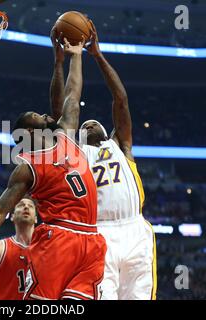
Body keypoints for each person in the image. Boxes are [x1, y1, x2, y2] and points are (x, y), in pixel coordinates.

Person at [0, 37, 106, 300]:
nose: (45, 115)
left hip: (92, 239)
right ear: (29, 131)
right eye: (37, 116)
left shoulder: (65, 135)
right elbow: (0, 209)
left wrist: (76, 55)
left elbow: (73, 94)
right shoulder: (28, 166)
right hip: (59, 237)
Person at [50, 22, 156, 300]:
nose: (91, 122)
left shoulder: (121, 145)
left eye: (95, 122)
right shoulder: (75, 152)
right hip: (97, 234)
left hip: (135, 229)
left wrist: (97, 55)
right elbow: (63, 106)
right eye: (85, 123)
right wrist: (60, 61)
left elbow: (120, 100)